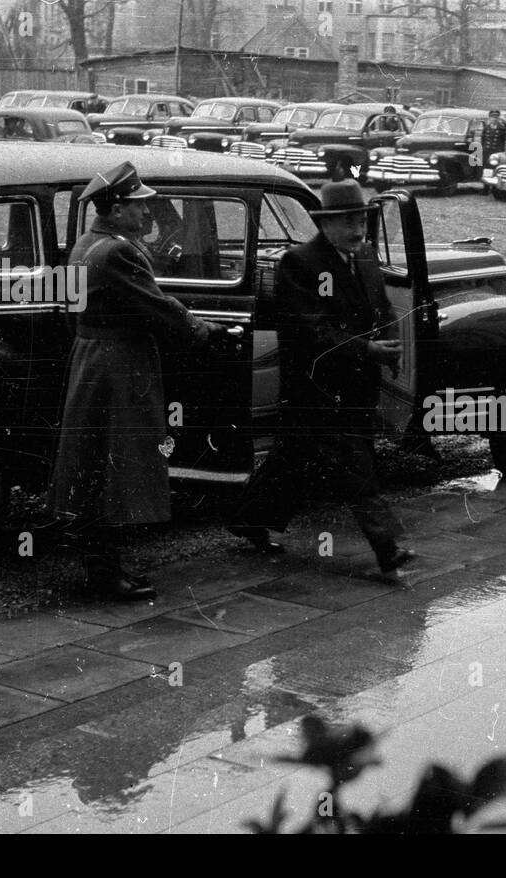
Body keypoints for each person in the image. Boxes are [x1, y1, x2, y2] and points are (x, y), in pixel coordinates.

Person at [47, 162, 235, 601]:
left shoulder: (86, 244)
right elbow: (160, 306)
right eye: (137, 205)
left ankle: (103, 568)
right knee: (119, 466)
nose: (146, 214)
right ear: (114, 209)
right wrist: (205, 331)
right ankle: (108, 575)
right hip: (120, 369)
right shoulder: (120, 252)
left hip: (92, 363)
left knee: (94, 467)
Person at [227, 180, 415, 575]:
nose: (358, 229)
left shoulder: (364, 256)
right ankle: (387, 548)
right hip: (317, 388)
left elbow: (379, 309)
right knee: (357, 465)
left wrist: (390, 347)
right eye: (348, 222)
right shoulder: (300, 263)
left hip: (355, 384)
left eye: (361, 220)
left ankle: (248, 521)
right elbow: (313, 330)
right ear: (325, 223)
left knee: (293, 461)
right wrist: (367, 350)